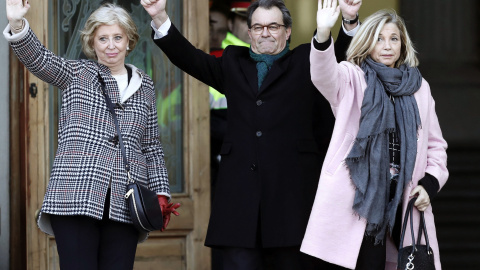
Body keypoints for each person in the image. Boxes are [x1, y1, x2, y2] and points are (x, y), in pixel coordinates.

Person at [141, 0, 361, 269]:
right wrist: (160, 16)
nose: (265, 32)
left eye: (273, 26)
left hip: (291, 201)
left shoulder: (306, 60)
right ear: (249, 32)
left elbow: (337, 54)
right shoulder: (233, 61)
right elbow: (189, 57)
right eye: (258, 26)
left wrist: (348, 21)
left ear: (287, 31)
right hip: (240, 204)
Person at [4, 1, 179, 269]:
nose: (111, 45)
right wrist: (17, 23)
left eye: (118, 37)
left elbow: (151, 145)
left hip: (125, 203)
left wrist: (160, 193)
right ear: (92, 42)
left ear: (129, 40)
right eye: (103, 38)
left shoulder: (144, 85)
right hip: (76, 196)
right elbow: (38, 59)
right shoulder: (77, 74)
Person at [301, 1, 449, 269]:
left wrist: (430, 183)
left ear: (403, 45)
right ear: (368, 43)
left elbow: (436, 145)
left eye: (394, 38)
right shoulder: (353, 77)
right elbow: (323, 77)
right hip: (361, 200)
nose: (387, 45)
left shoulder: (419, 88)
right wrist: (323, 34)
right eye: (379, 39)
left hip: (403, 201)